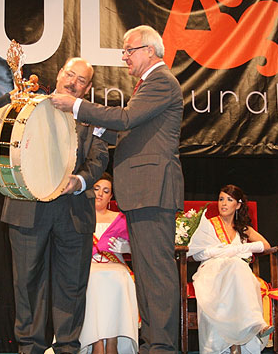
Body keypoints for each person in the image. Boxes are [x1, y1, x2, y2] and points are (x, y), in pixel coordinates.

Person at [51, 25, 184, 353]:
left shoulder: (161, 81)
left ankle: (163, 347)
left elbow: (126, 119)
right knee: (149, 276)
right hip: (143, 193)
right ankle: (153, 344)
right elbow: (129, 130)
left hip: (153, 190)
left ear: (149, 51)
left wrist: (76, 107)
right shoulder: (147, 84)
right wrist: (95, 126)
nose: (124, 56)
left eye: (129, 49)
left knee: (157, 276)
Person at [1, 57, 109, 354]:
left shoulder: (92, 118)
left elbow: (99, 158)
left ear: (87, 88)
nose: (73, 82)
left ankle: (67, 349)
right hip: (28, 207)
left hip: (74, 212)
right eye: (70, 75)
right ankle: (29, 349)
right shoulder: (30, 105)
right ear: (59, 74)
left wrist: (81, 180)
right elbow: (3, 131)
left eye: (81, 80)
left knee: (72, 289)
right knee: (27, 287)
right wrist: (15, 103)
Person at [187, 184, 273, 354]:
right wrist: (226, 252)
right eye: (221, 199)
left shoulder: (243, 229)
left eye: (229, 200)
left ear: (238, 205)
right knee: (237, 268)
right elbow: (194, 254)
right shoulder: (208, 225)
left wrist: (237, 250)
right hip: (211, 272)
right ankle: (254, 327)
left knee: (238, 269)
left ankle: (237, 345)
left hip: (237, 274)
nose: (224, 203)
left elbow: (266, 245)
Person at [79, 173, 138, 354]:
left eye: (106, 191)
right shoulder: (79, 216)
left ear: (111, 196)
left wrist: (126, 247)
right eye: (96, 189)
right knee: (94, 278)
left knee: (118, 277)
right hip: (88, 266)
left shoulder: (120, 218)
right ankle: (96, 342)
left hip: (115, 266)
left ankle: (112, 342)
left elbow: (138, 247)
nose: (100, 194)